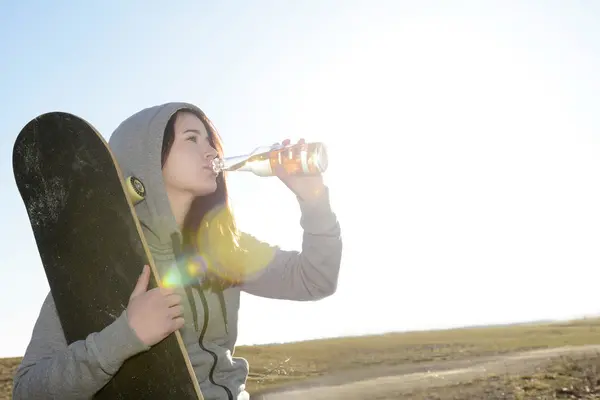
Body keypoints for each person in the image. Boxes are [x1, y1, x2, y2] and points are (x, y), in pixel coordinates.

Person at [12, 102, 343, 400]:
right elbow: (28, 390)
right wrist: (125, 336)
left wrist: (313, 198)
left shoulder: (226, 248)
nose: (212, 151)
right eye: (191, 139)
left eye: (210, 140)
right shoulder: (101, 263)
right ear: (147, 157)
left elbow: (315, 279)